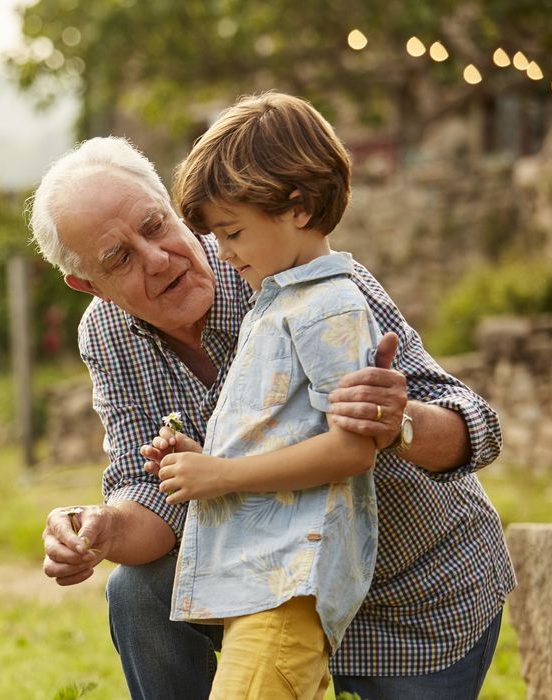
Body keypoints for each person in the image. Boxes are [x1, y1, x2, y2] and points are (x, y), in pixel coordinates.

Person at [30, 128, 513, 698]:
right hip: (265, 589)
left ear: (171, 205)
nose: (158, 259)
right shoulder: (108, 333)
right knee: (137, 592)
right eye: (120, 258)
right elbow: (152, 492)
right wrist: (104, 528)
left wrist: (396, 421)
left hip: (407, 588)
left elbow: (475, 427)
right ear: (89, 285)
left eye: (156, 225)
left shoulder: (294, 267)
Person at [150, 92, 384, 699]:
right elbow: (284, 431)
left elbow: (352, 451)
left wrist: (221, 475)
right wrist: (198, 458)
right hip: (263, 580)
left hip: (289, 582)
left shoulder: (330, 305)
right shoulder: (280, 301)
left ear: (298, 209)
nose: (221, 253)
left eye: (232, 232)